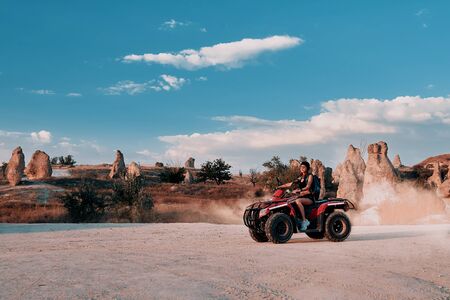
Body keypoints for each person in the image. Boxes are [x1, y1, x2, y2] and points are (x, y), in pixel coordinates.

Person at [278, 161, 314, 231]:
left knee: (298, 201)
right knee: (289, 201)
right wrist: (279, 187)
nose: (302, 168)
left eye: (303, 167)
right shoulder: (300, 177)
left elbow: (308, 186)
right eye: (301, 167)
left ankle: (304, 221)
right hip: (301, 195)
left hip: (309, 197)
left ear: (307, 168)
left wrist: (300, 190)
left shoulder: (310, 176)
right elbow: (291, 184)